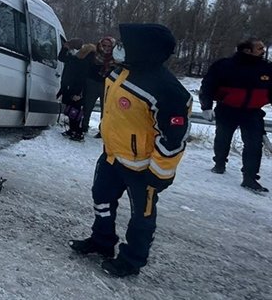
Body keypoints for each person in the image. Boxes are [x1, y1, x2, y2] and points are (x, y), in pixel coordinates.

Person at [70, 23, 191, 277]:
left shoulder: (168, 90)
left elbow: (174, 138)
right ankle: (102, 241)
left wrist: (159, 174)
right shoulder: (121, 71)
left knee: (141, 217)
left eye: (125, 44)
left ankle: (132, 259)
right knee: (101, 198)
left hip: (142, 168)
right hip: (112, 156)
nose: (118, 47)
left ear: (143, 49)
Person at [199, 37, 272, 193]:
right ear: (247, 50)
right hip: (227, 109)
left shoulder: (267, 68)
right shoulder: (225, 66)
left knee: (254, 145)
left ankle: (250, 178)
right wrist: (206, 106)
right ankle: (219, 163)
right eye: (259, 48)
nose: (263, 51)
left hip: (253, 112)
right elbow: (208, 85)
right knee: (222, 139)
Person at [79, 36, 117, 139]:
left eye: (109, 46)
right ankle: (83, 127)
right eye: (104, 45)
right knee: (88, 106)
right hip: (92, 82)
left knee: (105, 109)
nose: (106, 48)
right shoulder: (93, 54)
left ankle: (102, 130)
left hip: (107, 85)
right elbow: (84, 65)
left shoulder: (116, 58)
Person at [58, 40, 94, 141]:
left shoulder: (83, 61)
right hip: (71, 87)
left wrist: (78, 93)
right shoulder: (77, 59)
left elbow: (82, 78)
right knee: (72, 109)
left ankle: (78, 131)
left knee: (75, 110)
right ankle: (73, 129)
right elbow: (62, 58)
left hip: (77, 89)